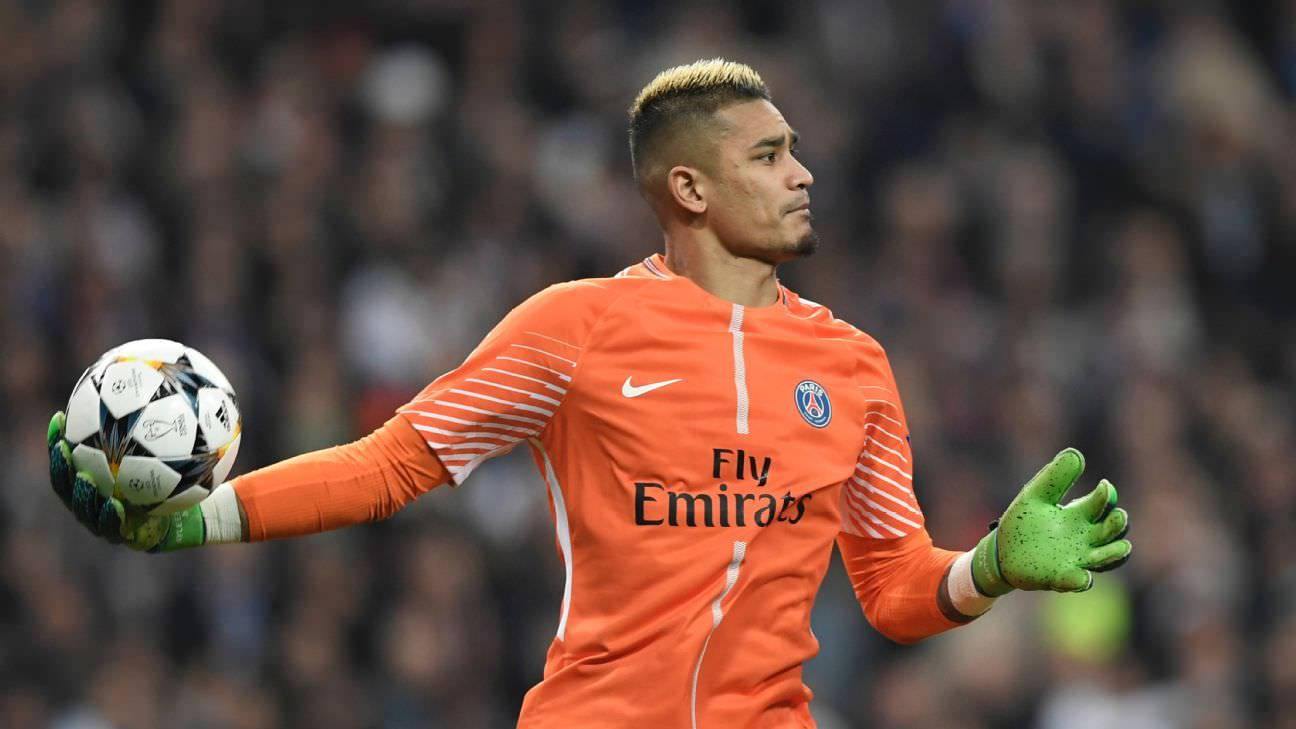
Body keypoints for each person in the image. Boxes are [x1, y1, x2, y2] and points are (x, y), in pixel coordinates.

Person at [47, 59, 1132, 728]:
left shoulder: (856, 365)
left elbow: (894, 589)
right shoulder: (573, 330)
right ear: (690, 188)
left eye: (797, 151)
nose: (803, 173)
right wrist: (194, 525)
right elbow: (389, 465)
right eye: (769, 154)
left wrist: (986, 566)